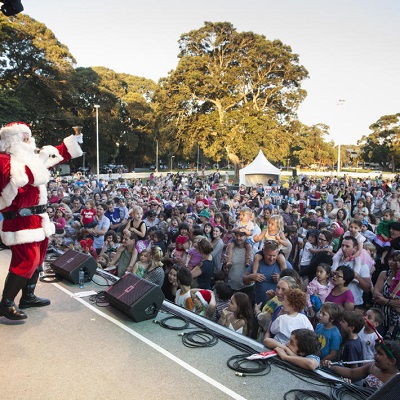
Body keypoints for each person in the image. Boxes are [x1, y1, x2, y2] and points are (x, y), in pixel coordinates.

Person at [0, 122, 83, 320]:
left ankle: (27, 296)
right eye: (25, 137)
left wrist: (73, 142)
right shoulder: (4, 160)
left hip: (37, 219)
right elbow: (20, 179)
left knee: (38, 260)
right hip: (20, 221)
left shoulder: (26, 159)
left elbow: (54, 157)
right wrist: (41, 159)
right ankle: (6, 303)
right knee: (26, 260)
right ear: (13, 141)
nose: (30, 141)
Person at [323, 340, 400, 390]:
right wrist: (332, 367)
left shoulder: (396, 381)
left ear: (391, 361)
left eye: (380, 353)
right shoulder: (372, 367)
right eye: (376, 351)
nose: (375, 354)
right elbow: (351, 373)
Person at [243, 240, 292, 307]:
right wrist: (251, 277)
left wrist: (282, 280)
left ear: (278, 252)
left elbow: (294, 284)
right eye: (269, 255)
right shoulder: (257, 263)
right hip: (259, 305)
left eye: (274, 256)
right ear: (263, 252)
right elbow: (244, 281)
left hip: (278, 306)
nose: (271, 259)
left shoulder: (285, 264)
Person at [372, 251, 400, 339]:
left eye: (394, 260)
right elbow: (376, 293)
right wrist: (391, 302)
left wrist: (385, 300)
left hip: (396, 319)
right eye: (389, 259)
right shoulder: (384, 274)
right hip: (380, 316)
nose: (391, 262)